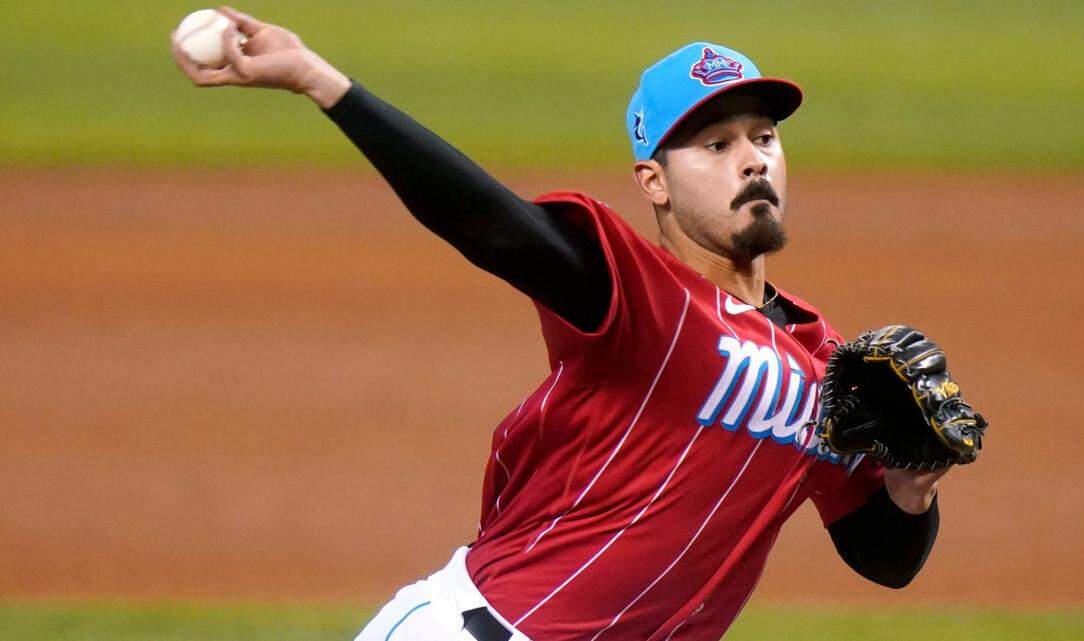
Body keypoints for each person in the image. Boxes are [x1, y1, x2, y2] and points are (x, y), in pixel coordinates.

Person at [172, 7, 954, 641]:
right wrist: (321, 81)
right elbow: (492, 224)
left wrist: (911, 484)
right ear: (653, 179)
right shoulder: (636, 291)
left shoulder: (831, 366)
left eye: (764, 138)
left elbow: (882, 559)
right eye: (716, 144)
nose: (751, 160)